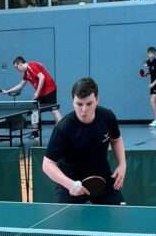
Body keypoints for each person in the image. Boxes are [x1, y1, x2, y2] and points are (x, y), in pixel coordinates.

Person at [42, 77, 126, 205]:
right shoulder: (64, 127)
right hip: (71, 183)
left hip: (102, 180)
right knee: (62, 217)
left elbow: (116, 140)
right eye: (79, 104)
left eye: (89, 104)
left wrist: (122, 164)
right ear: (73, 102)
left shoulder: (107, 117)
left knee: (119, 215)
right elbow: (47, 164)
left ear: (97, 100)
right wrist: (70, 184)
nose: (84, 110)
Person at [3, 56, 62, 125]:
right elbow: (20, 85)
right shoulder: (26, 73)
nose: (17, 70)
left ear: (20, 64)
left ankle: (62, 127)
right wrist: (7, 91)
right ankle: (35, 130)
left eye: (17, 67)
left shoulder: (31, 66)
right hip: (41, 92)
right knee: (34, 109)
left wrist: (37, 92)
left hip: (49, 89)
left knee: (53, 109)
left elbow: (42, 77)